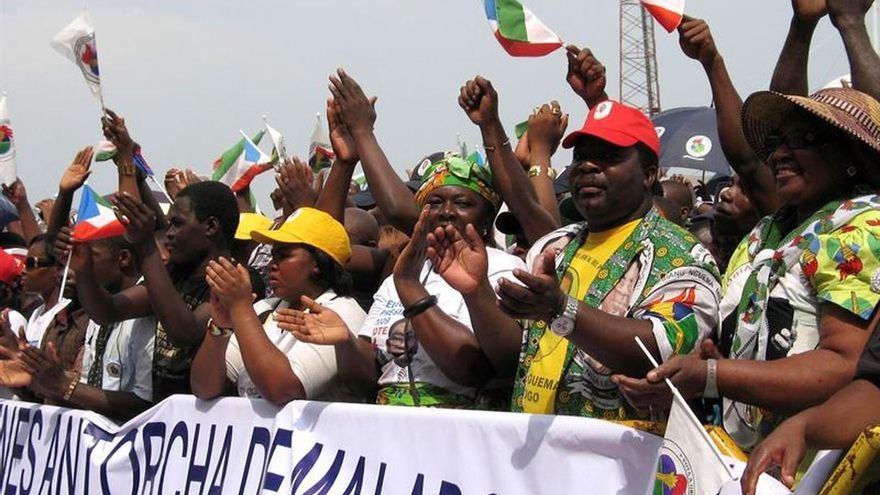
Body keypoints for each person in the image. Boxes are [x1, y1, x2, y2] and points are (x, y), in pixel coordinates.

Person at [433, 78, 720, 419]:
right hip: (537, 457)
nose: (587, 166)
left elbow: (660, 349)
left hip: (620, 462)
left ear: (648, 175)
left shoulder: (681, 255)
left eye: (608, 157)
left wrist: (560, 308)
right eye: (581, 157)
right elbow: (515, 358)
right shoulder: (555, 245)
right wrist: (476, 292)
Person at [618, 87, 880, 449]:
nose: (780, 154)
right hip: (740, 456)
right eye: (776, 141)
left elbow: (843, 365)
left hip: (813, 464)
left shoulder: (863, 229)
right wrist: (692, 381)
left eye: (802, 139)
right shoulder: (768, 231)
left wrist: (712, 375)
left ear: (852, 155)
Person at [279, 153, 525, 408]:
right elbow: (369, 380)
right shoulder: (403, 274)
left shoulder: (502, 268)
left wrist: (412, 290)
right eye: (436, 202)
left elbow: (471, 370)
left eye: (463, 203)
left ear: (486, 218)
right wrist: (346, 343)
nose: (447, 212)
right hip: (391, 428)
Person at [75, 181, 245, 400]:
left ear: (210, 227)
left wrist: (146, 245)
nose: (169, 234)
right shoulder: (173, 274)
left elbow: (185, 333)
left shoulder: (236, 281)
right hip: (164, 422)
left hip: (204, 420)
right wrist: (84, 271)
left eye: (177, 224)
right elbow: (107, 312)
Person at [191, 207, 365, 405]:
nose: (271, 264)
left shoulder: (343, 311)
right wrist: (220, 327)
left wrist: (240, 308)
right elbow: (203, 388)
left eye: (283, 256)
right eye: (273, 255)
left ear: (317, 262)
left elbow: (282, 391)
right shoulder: (265, 307)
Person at [20, 234, 155, 421]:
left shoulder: (149, 313)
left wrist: (65, 384)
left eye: (88, 257)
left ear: (123, 258)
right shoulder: (97, 309)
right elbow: (88, 390)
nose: (77, 268)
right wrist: (45, 378)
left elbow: (148, 406)